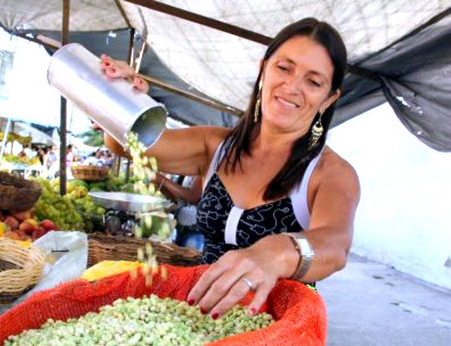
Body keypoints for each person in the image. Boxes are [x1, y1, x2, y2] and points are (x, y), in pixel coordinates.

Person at [102, 18, 360, 318]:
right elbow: (126, 144)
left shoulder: (330, 172)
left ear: (329, 99)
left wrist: (277, 252)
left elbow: (335, 245)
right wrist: (122, 97)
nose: (292, 87)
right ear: (263, 68)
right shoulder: (214, 146)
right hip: (200, 320)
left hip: (279, 333)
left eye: (313, 82)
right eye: (284, 68)